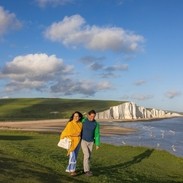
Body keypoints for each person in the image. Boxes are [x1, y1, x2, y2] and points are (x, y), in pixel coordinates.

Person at [60, 111, 83, 176]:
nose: (76, 117)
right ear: (73, 117)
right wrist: (76, 134)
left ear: (79, 117)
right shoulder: (70, 123)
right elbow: (66, 133)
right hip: (71, 142)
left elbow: (81, 133)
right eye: (74, 116)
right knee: (72, 156)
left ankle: (69, 169)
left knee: (75, 156)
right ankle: (72, 170)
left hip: (78, 142)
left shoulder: (80, 124)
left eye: (77, 116)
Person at [81, 109, 100, 176]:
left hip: (91, 142)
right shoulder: (84, 120)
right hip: (83, 141)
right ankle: (86, 171)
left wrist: (97, 144)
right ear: (88, 115)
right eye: (91, 116)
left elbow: (97, 134)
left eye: (94, 116)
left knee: (88, 157)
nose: (92, 118)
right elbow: (78, 117)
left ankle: (85, 169)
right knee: (87, 155)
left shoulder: (96, 124)